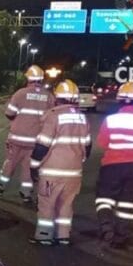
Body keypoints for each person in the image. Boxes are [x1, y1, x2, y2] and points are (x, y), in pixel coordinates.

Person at [28, 80, 92, 245]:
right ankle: (63, 236)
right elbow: (87, 145)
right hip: (74, 172)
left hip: (52, 171)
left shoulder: (53, 116)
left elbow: (42, 145)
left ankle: (44, 235)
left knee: (47, 204)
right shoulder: (82, 118)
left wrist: (34, 166)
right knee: (66, 204)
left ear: (58, 97)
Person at [94, 81, 133, 248]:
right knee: (128, 202)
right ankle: (120, 237)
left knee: (104, 198)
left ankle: (106, 224)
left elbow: (102, 143)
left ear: (119, 99)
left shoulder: (111, 119)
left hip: (112, 165)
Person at [0, 65, 54, 204]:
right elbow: (51, 119)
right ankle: (26, 194)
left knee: (10, 162)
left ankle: (0, 187)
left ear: (29, 78)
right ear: (41, 79)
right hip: (36, 141)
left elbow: (9, 113)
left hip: (17, 138)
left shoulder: (20, 93)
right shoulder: (48, 97)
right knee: (28, 167)